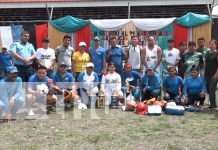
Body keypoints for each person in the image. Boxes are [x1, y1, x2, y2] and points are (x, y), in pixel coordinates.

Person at [204, 39, 218, 109]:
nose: (211, 45)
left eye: (213, 44)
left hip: (214, 74)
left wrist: (216, 74)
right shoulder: (207, 53)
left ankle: (213, 105)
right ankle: (210, 104)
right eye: (210, 44)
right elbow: (205, 64)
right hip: (207, 74)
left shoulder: (217, 53)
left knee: (212, 89)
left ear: (216, 45)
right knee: (209, 89)